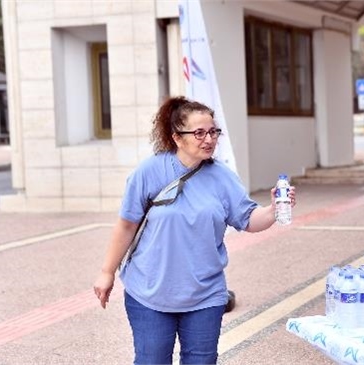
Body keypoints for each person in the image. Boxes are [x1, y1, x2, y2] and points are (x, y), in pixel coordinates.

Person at [93, 96, 296, 365]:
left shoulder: (222, 177)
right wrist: (107, 272)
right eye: (199, 133)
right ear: (177, 137)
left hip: (205, 294)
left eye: (213, 132)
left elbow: (248, 219)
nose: (209, 139)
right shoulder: (150, 172)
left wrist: (272, 209)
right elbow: (127, 224)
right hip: (150, 292)